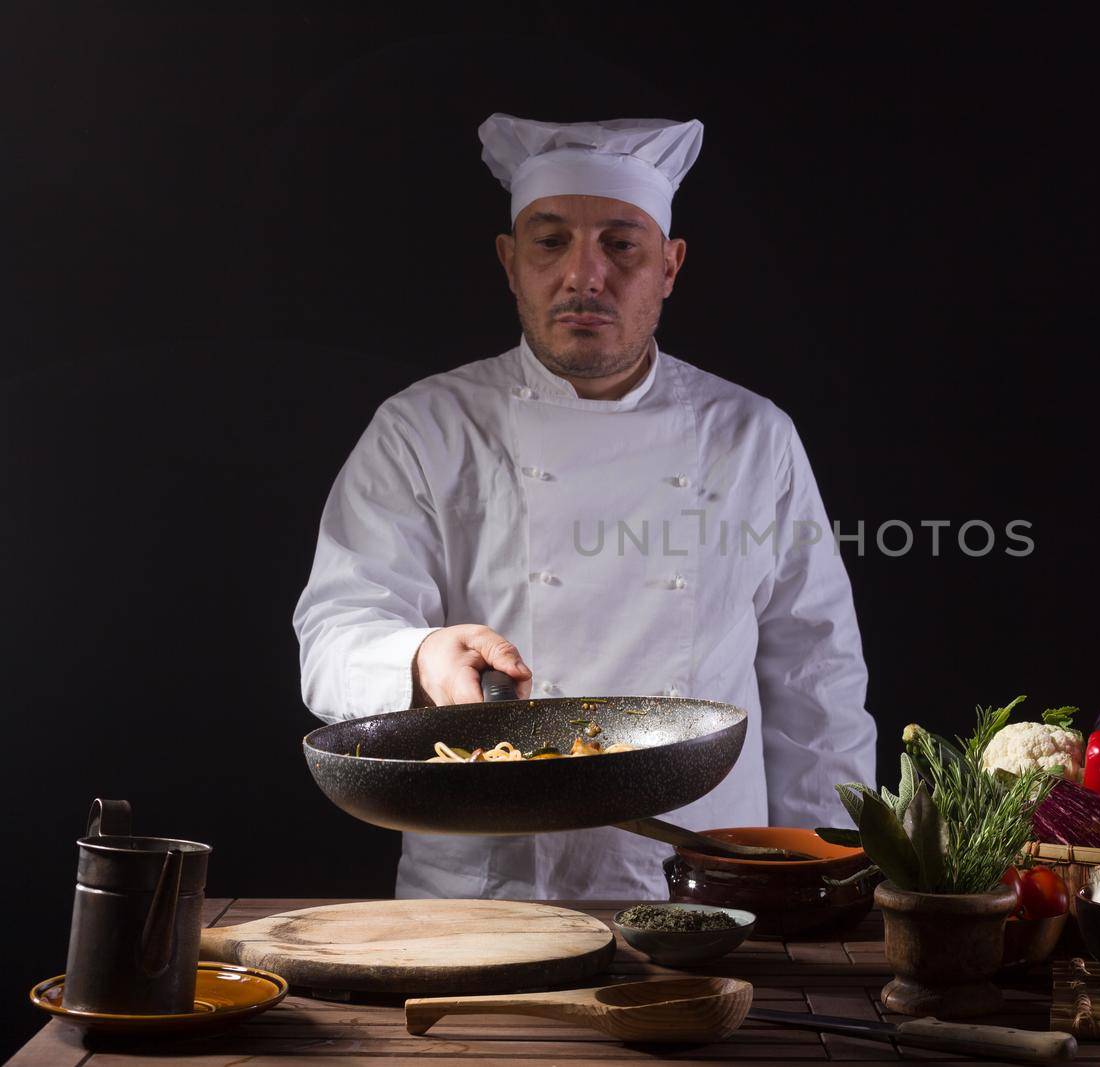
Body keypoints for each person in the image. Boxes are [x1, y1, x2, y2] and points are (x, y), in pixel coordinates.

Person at [292, 115, 878, 899]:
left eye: (621, 243)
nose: (584, 274)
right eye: (550, 241)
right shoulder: (425, 428)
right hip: (484, 890)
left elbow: (817, 679)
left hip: (710, 882)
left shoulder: (752, 436)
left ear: (670, 265)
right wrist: (420, 656)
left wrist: (831, 877)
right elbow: (333, 632)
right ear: (510, 262)